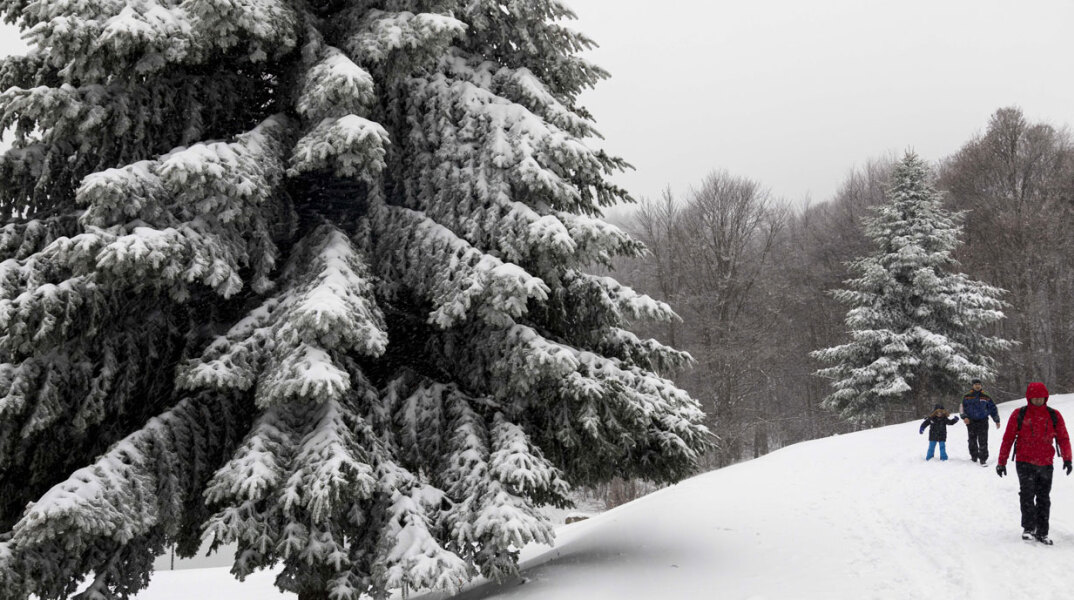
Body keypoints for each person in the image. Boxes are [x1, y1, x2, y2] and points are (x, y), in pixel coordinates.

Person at [996, 382, 1072, 545]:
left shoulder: (1054, 415)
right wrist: (1001, 462)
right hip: (1024, 462)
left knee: (1044, 497)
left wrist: (1067, 458)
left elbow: (1063, 438)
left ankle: (1043, 532)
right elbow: (1008, 439)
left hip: (1045, 463)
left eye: (1041, 398)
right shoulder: (1019, 414)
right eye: (1034, 398)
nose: (1038, 400)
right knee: (1027, 495)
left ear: (1046, 398)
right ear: (1029, 398)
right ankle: (1029, 528)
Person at [959, 378, 1000, 466]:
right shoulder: (967, 396)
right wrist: (964, 417)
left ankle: (983, 459)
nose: (977, 386)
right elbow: (962, 409)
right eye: (975, 384)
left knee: (983, 440)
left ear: (981, 385)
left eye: (979, 384)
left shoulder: (986, 396)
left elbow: (993, 408)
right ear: (972, 386)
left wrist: (996, 420)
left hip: (983, 421)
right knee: (972, 440)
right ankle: (974, 456)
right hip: (971, 421)